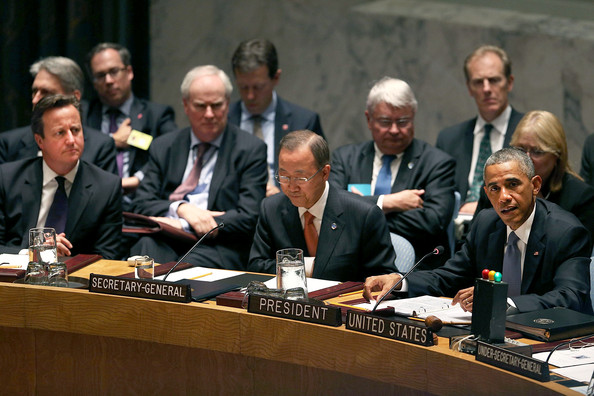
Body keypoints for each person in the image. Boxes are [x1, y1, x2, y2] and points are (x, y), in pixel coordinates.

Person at [364, 148, 592, 314]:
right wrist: (400, 281)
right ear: (486, 192)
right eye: (495, 188)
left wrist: (506, 303)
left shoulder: (566, 232)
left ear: (534, 185)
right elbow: (448, 277)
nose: (504, 197)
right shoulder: (486, 224)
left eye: (513, 185)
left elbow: (570, 296)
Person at [129, 65, 267, 270]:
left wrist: (194, 221)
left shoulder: (250, 149)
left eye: (217, 105)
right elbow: (141, 204)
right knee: (144, 252)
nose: (209, 114)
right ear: (186, 105)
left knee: (179, 273)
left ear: (228, 104)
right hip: (167, 238)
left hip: (218, 244)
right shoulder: (165, 146)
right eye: (201, 106)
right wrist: (182, 209)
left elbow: (249, 215)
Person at [329, 77, 455, 268]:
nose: (395, 130)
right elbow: (332, 211)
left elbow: (433, 222)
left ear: (413, 117)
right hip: (351, 266)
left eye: (403, 121)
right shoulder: (345, 159)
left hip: (415, 272)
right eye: (385, 122)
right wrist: (388, 202)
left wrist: (359, 209)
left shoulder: (437, 163)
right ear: (369, 119)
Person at [249, 130, 395, 282]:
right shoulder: (271, 208)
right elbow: (256, 267)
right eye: (284, 176)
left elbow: (384, 278)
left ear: (325, 173)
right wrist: (307, 266)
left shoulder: (364, 214)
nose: (291, 187)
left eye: (301, 178)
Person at [0, 95, 123, 259]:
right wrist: (34, 254)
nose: (71, 140)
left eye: (76, 130)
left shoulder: (107, 188)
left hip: (75, 280)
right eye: (60, 133)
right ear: (40, 141)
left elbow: (107, 258)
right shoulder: (7, 179)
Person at [228, 39, 325, 196]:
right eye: (243, 87)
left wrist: (283, 195)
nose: (250, 95)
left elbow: (319, 180)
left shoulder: (303, 121)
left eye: (258, 87)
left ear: (276, 78)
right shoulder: (222, 120)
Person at [475, 110, 594, 237]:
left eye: (537, 151)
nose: (526, 159)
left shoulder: (581, 198)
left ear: (556, 156)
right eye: (520, 150)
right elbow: (471, 243)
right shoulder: (497, 187)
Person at [436, 45, 524, 215]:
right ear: (469, 88)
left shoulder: (529, 134)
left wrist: (479, 210)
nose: (486, 89)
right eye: (478, 82)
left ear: (509, 83)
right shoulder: (449, 139)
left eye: (494, 80)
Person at [84, 42, 177, 196]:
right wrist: (112, 140)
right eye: (100, 75)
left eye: (114, 71)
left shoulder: (156, 115)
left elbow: (172, 151)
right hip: (94, 201)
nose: (108, 81)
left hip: (141, 201)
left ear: (129, 72)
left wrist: (138, 179)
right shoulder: (84, 114)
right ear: (94, 83)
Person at [0, 56, 117, 174]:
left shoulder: (101, 147)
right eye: (35, 91)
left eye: (46, 93)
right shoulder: (8, 144)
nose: (35, 100)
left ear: (74, 97)